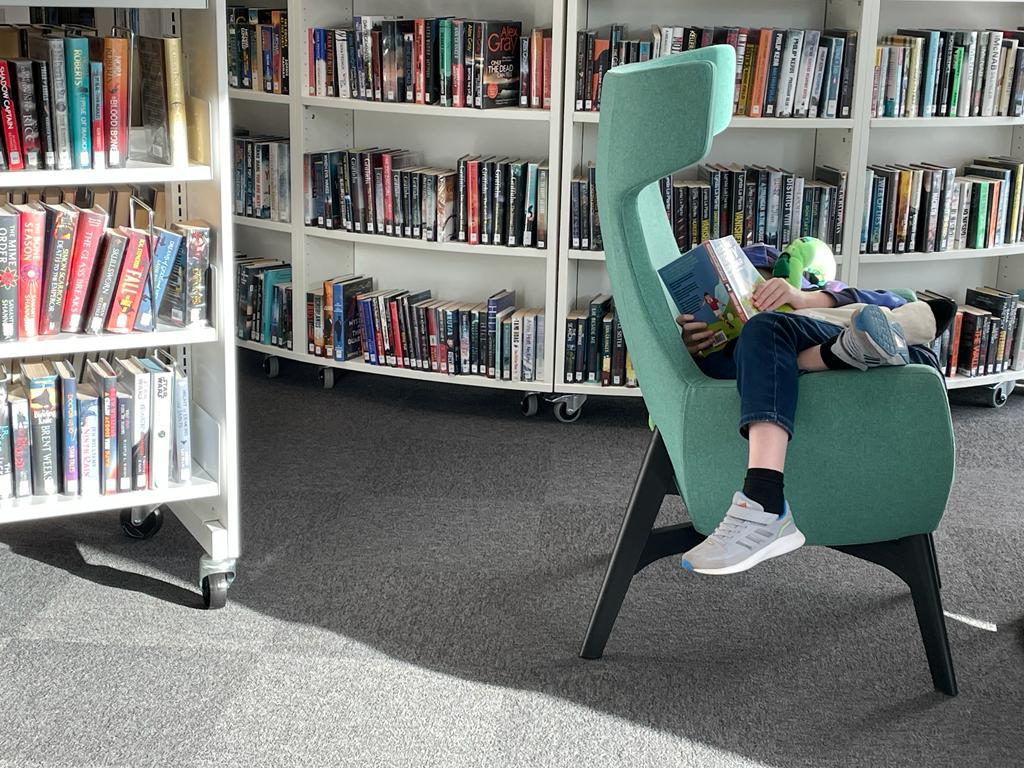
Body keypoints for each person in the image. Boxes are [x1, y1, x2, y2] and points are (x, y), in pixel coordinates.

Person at [676, 256, 955, 576]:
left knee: (766, 329)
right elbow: (719, 379)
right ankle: (834, 355)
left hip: (828, 331)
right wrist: (695, 348)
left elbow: (892, 301)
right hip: (772, 359)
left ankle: (763, 499)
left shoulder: (818, 292)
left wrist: (801, 297)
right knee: (757, 343)